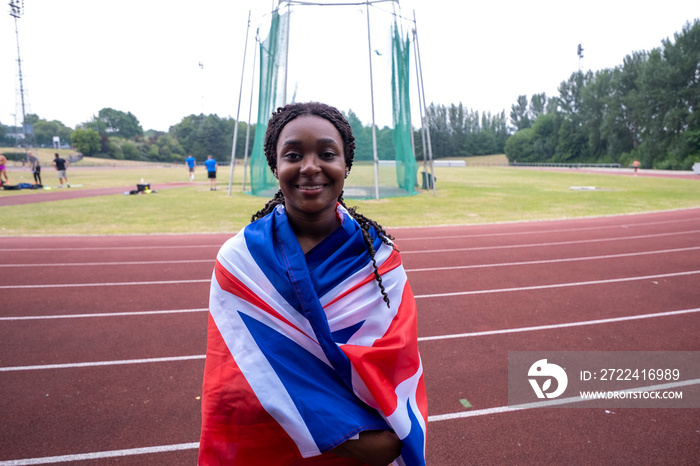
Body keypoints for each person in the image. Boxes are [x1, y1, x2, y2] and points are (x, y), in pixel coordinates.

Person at [199, 102, 428, 465]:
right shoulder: (240, 261)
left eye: (326, 154)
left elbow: (397, 361)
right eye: (293, 155)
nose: (309, 167)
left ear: (345, 165)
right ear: (275, 166)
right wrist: (344, 439)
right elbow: (239, 378)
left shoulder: (380, 259)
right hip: (276, 448)